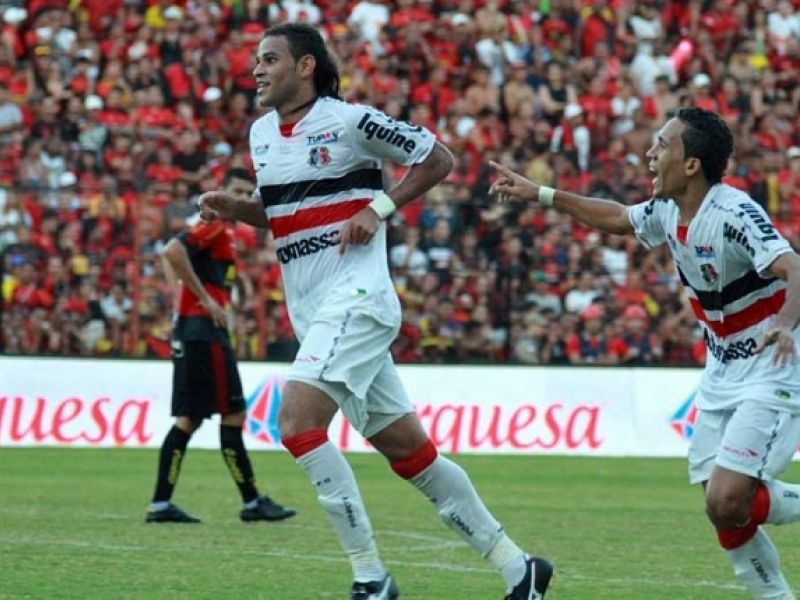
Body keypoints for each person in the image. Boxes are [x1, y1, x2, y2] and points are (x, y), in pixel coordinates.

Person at [198, 23, 552, 600]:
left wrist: (380, 207)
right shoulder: (262, 134)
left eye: (269, 58)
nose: (256, 69)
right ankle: (519, 567)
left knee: (297, 423)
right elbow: (285, 211)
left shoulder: (349, 120)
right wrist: (236, 208)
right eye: (256, 60)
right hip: (314, 312)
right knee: (410, 453)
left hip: (357, 300)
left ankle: (370, 577)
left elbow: (438, 158)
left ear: (306, 66)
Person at [490, 107, 800, 599]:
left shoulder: (734, 214)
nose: (650, 153)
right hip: (722, 369)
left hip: (773, 367)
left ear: (692, 165)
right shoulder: (666, 211)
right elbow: (618, 217)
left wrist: (783, 326)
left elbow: (794, 267)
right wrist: (543, 194)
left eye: (662, 145)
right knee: (721, 508)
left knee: (729, 498)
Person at [146, 168, 296, 525]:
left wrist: (181, 299)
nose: (241, 200)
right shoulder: (213, 226)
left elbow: (170, 257)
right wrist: (204, 300)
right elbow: (171, 250)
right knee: (232, 413)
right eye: (236, 192)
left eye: (247, 193)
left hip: (194, 330)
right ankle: (251, 501)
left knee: (191, 418)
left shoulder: (221, 232)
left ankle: (161, 504)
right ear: (221, 193)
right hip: (204, 333)